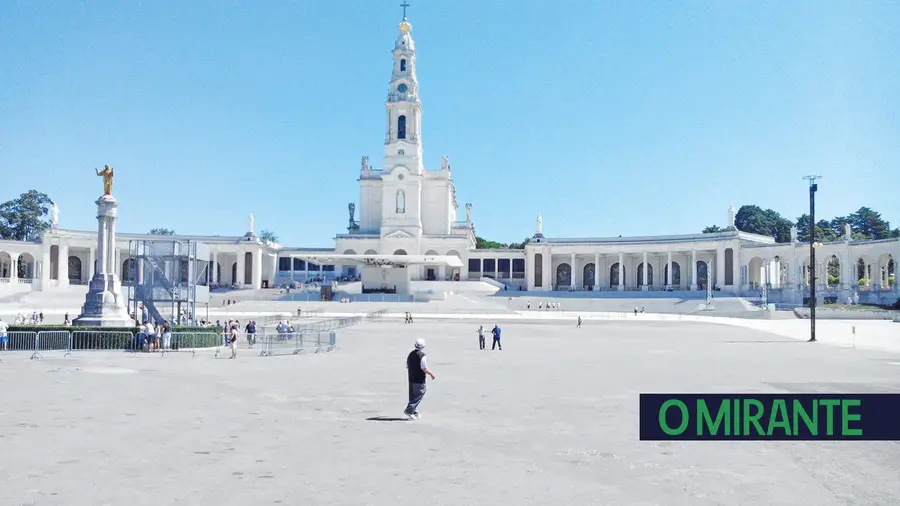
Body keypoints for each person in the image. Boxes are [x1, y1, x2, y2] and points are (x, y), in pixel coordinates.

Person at [405, 338, 435, 420]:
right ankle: (409, 410)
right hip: (419, 379)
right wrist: (431, 374)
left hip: (411, 378)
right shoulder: (422, 355)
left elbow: (407, 366)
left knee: (413, 395)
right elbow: (424, 368)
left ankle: (413, 411)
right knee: (420, 393)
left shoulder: (410, 354)